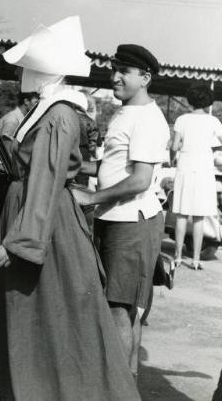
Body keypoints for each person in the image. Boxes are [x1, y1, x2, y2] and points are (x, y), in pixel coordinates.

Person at [0, 17, 140, 401]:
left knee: (55, 311)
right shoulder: (49, 108)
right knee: (41, 313)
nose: (23, 72)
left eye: (28, 66)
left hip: (44, 223)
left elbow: (47, 180)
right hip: (39, 217)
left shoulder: (58, 113)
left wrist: (17, 241)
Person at [71, 44, 170, 380]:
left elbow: (140, 180)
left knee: (118, 310)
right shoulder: (125, 112)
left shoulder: (147, 118)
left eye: (123, 72)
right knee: (125, 309)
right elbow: (111, 165)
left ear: (145, 77)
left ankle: (115, 388)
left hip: (131, 221)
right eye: (114, 70)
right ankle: (125, 385)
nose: (114, 78)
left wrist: (89, 198)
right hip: (116, 218)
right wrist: (71, 168)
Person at [171, 83, 222, 270]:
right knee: (200, 217)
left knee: (182, 215)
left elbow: (174, 147)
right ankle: (195, 259)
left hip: (185, 167)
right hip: (204, 169)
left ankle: (177, 257)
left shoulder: (182, 120)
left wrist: (171, 160)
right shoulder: (213, 122)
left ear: (190, 99)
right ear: (209, 100)